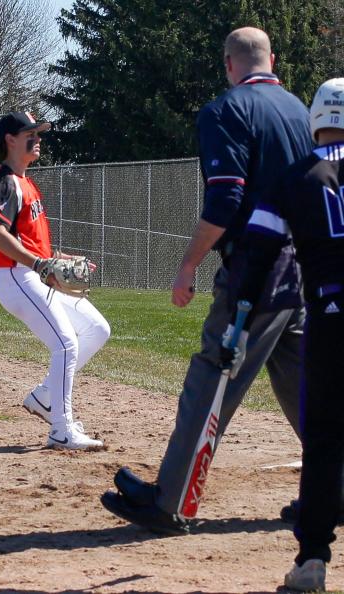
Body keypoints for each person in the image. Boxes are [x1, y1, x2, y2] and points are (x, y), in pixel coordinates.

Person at [100, 27, 312, 535]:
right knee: (308, 386)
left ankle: (169, 502)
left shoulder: (226, 110)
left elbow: (226, 201)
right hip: (302, 267)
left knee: (210, 381)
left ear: (228, 64)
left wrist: (189, 263)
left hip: (255, 272)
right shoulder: (300, 111)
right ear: (272, 60)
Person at [219, 78, 344, 592]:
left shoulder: (295, 178)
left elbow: (259, 254)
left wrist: (239, 319)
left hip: (331, 319)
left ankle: (312, 559)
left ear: (314, 120)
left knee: (324, 441)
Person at [0, 111, 111, 451]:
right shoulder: (7, 181)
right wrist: (40, 264)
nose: (38, 139)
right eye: (30, 133)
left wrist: (56, 258)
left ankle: (44, 397)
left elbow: (28, 238)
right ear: (10, 139)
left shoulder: (26, 182)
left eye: (39, 133)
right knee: (66, 344)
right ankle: (61, 429)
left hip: (34, 273)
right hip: (17, 276)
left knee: (97, 329)